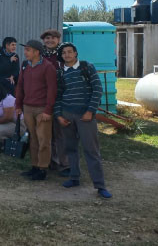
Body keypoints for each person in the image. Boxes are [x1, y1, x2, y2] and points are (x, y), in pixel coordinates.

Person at [55, 42, 111, 199]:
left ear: (75, 53)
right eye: (64, 53)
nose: (67, 55)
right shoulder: (60, 73)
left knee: (91, 150)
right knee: (71, 149)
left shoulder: (87, 67)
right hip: (67, 115)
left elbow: (97, 89)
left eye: (69, 52)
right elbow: (58, 96)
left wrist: (90, 111)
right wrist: (59, 115)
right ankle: (74, 178)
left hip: (85, 116)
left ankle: (100, 186)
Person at [15, 39, 57, 181]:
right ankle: (34, 166)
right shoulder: (25, 65)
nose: (25, 52)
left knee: (44, 139)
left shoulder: (48, 67)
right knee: (32, 138)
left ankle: (43, 168)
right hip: (27, 107)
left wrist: (48, 110)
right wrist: (18, 105)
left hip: (42, 109)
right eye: (25, 49)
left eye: (28, 50)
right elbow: (20, 85)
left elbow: (52, 89)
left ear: (37, 52)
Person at [40, 28, 69, 176]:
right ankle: (50, 161)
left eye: (53, 38)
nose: (49, 40)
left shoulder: (63, 55)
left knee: (61, 133)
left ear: (58, 40)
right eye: (47, 38)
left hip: (60, 98)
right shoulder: (40, 55)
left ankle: (64, 164)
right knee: (47, 133)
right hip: (44, 99)